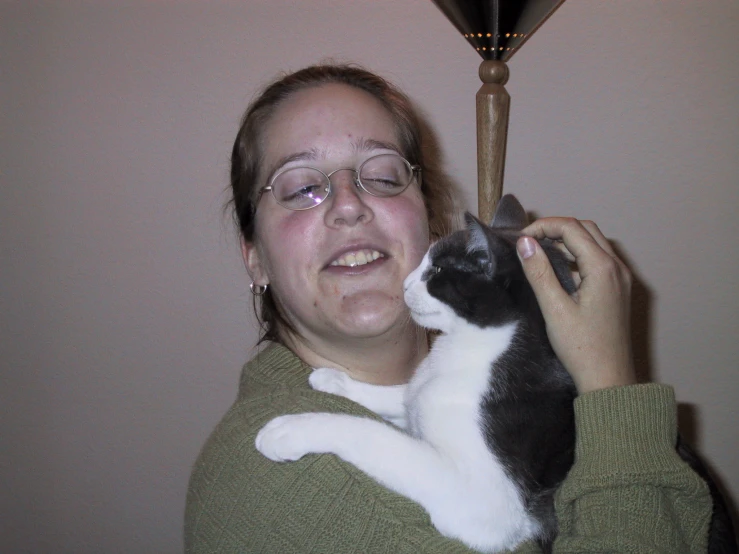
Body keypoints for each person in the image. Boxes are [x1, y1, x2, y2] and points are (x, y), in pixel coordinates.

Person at [185, 64, 712, 553]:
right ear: (254, 259)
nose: (348, 204)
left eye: (384, 177)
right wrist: (612, 390)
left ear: (432, 225)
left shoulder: (504, 391)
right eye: (302, 187)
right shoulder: (291, 488)